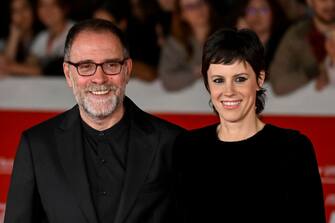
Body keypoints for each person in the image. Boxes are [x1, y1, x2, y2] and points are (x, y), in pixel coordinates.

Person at [4, 19, 184, 223]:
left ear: (127, 70)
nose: (99, 78)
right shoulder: (37, 146)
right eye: (85, 66)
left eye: (111, 65)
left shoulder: (174, 143)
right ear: (68, 74)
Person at [174, 28, 326, 222]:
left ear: (259, 79)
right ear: (207, 84)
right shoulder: (188, 148)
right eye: (218, 80)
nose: (228, 91)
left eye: (240, 79)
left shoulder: (293, 148)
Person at [269, 0, 335, 95]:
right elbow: (279, 84)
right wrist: (315, 71)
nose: (331, 4)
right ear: (310, 2)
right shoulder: (296, 35)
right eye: (323, 0)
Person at [158, 0, 219, 91]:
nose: (198, 10)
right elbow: (167, 80)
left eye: (200, 3)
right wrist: (197, 72)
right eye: (190, 7)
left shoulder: (226, 35)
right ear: (182, 14)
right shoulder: (175, 43)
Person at [235, 0, 290, 70]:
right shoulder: (236, 41)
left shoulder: (284, 41)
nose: (257, 15)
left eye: (263, 10)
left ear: (273, 13)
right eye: (251, 10)